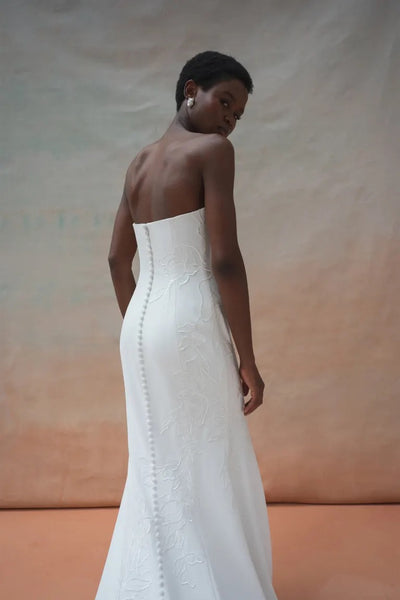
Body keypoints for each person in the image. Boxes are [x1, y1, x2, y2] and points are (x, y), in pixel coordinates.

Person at [95, 50, 278, 600]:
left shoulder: (139, 162)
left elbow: (114, 261)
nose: (229, 120)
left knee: (157, 459)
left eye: (237, 114)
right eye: (225, 102)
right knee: (205, 455)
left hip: (141, 331)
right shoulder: (212, 153)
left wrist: (145, 332)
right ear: (190, 90)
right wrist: (248, 359)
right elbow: (224, 259)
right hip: (190, 322)